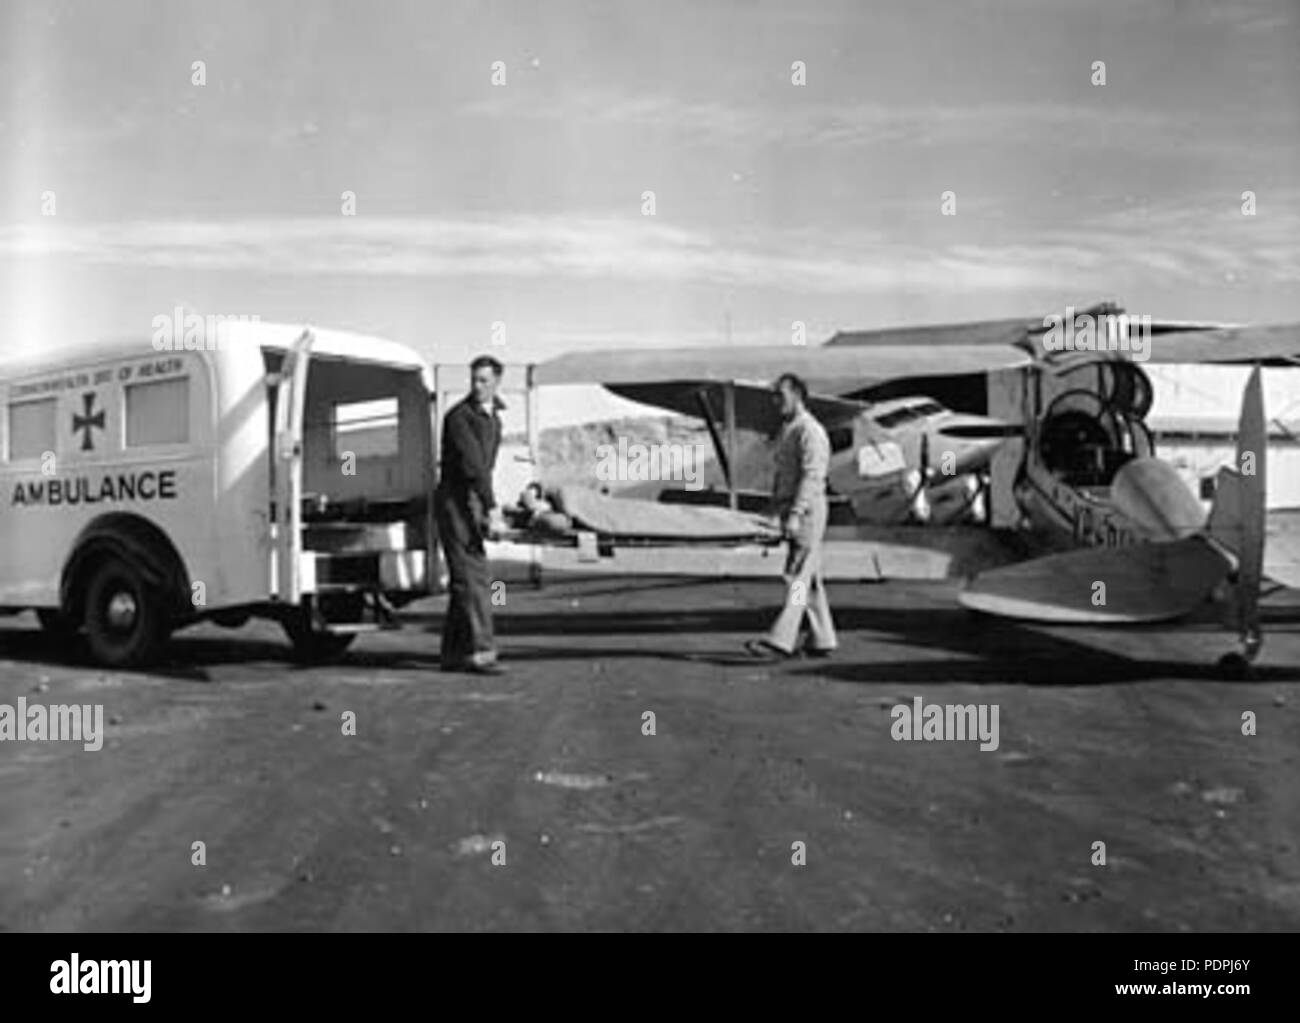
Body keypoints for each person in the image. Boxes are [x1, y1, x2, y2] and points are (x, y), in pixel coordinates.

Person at [746, 373, 837, 660]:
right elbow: (785, 476)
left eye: (780, 396)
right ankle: (822, 639)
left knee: (796, 576)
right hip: (794, 507)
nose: (776, 402)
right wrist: (776, 508)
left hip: (807, 510)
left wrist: (796, 513)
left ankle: (780, 641)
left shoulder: (810, 431)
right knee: (808, 577)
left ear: (797, 395)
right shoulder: (791, 429)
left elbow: (813, 476)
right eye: (774, 396)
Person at [434, 355, 507, 674]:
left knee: (466, 577)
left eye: (484, 381)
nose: (477, 386)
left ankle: (453, 653)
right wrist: (492, 507)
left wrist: (486, 504)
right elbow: (474, 465)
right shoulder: (459, 417)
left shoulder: (494, 419)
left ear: (497, 382)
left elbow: (484, 470)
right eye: (474, 380)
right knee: (473, 577)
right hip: (455, 501)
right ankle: (480, 651)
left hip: (471, 501)